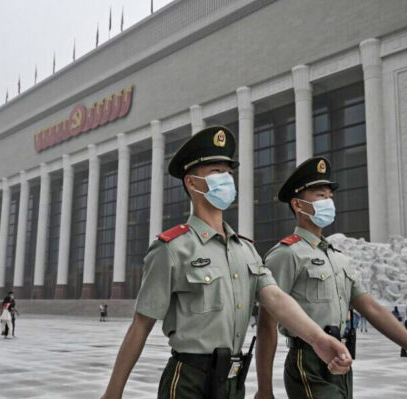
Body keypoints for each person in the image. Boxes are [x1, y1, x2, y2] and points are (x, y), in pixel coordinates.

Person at [101, 126, 353, 399]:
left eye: (229, 173)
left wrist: (318, 338)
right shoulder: (173, 249)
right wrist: (113, 392)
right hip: (188, 383)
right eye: (216, 172)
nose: (227, 179)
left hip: (232, 383)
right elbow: (141, 325)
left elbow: (277, 299)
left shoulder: (245, 250)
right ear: (192, 182)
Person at [257, 157, 407, 399]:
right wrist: (265, 390)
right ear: (298, 204)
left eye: (330, 197)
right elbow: (266, 325)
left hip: (342, 359)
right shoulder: (286, 254)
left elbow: (371, 308)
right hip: (308, 363)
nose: (328, 202)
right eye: (320, 196)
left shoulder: (340, 259)